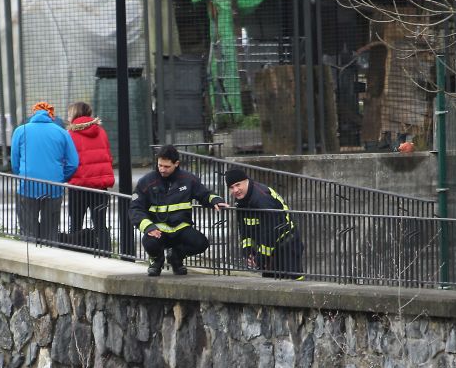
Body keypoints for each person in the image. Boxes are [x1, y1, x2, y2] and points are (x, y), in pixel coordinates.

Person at [130, 144, 229, 276]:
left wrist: (215, 200)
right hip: (157, 230)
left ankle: (176, 257)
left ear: (176, 164)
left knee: (201, 243)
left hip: (180, 229)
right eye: (160, 165)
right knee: (149, 242)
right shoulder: (146, 181)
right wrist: (148, 227)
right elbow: (135, 208)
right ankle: (156, 260)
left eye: (166, 166)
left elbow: (204, 194)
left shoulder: (188, 179)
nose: (162, 169)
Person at [11, 101, 78, 245]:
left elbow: (15, 163)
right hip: (53, 188)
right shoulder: (62, 132)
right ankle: (50, 253)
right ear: (51, 115)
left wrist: (21, 175)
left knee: (28, 232)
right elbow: (73, 163)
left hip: (27, 186)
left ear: (33, 113)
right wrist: (61, 178)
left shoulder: (20, 131)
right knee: (50, 232)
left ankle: (30, 256)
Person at [224, 166, 305, 280]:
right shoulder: (241, 200)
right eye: (231, 187)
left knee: (293, 280)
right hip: (268, 245)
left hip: (286, 243)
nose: (235, 190)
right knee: (270, 282)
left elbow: (271, 231)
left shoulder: (262, 198)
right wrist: (248, 251)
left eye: (238, 185)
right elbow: (244, 228)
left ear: (246, 181)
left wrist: (261, 257)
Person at [65, 101, 115, 255]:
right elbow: (108, 155)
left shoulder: (70, 135)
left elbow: (67, 160)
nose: (68, 117)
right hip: (99, 185)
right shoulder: (101, 132)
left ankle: (76, 253)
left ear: (75, 114)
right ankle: (106, 254)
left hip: (78, 186)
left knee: (75, 224)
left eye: (69, 114)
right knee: (100, 223)